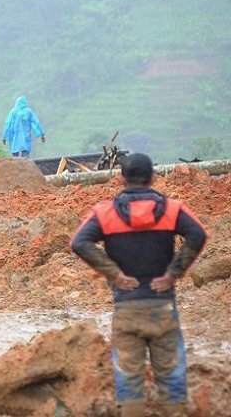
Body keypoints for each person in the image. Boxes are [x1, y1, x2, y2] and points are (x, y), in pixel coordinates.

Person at [71, 153, 207, 417]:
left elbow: (78, 243)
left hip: (127, 307)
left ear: (121, 179)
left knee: (129, 383)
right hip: (163, 307)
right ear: (153, 177)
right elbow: (198, 234)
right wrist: (173, 273)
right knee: (171, 378)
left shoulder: (105, 213)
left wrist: (114, 273)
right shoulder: (172, 210)